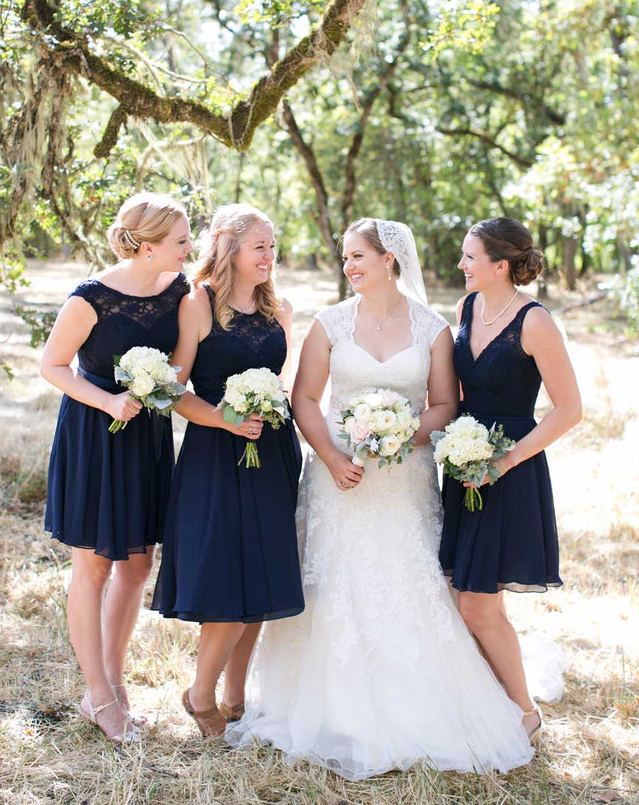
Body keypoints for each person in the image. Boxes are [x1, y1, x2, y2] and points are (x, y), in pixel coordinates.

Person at [227, 218, 534, 779]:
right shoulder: (330, 323)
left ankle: (424, 704)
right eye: (345, 258)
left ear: (389, 257)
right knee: (337, 584)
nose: (348, 267)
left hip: (405, 478)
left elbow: (443, 404)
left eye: (357, 257)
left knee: (407, 582)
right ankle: (330, 707)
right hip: (337, 477)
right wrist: (334, 455)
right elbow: (307, 400)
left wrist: (399, 435)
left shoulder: (434, 328)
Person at [41, 192, 192, 744]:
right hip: (95, 436)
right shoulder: (90, 297)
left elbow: (184, 360)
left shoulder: (179, 290)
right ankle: (100, 695)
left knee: (136, 565)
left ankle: (112, 682)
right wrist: (107, 402)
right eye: (180, 241)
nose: (189, 249)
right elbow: (52, 365)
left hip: (147, 437)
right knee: (95, 567)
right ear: (147, 246)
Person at [151, 204, 304, 738]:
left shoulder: (279, 308)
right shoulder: (198, 305)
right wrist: (223, 419)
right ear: (229, 249)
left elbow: (289, 385)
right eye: (259, 245)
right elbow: (170, 389)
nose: (269, 255)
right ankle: (200, 695)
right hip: (217, 457)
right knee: (227, 585)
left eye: (272, 245)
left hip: (274, 453)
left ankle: (237, 698)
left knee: (260, 581)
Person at [439, 217, 582, 740]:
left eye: (469, 257)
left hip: (510, 469)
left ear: (500, 265)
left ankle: (523, 713)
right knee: (463, 593)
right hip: (461, 466)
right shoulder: (466, 308)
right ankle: (488, 704)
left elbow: (569, 410)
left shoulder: (535, 322)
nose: (461, 266)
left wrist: (505, 461)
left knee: (478, 602)